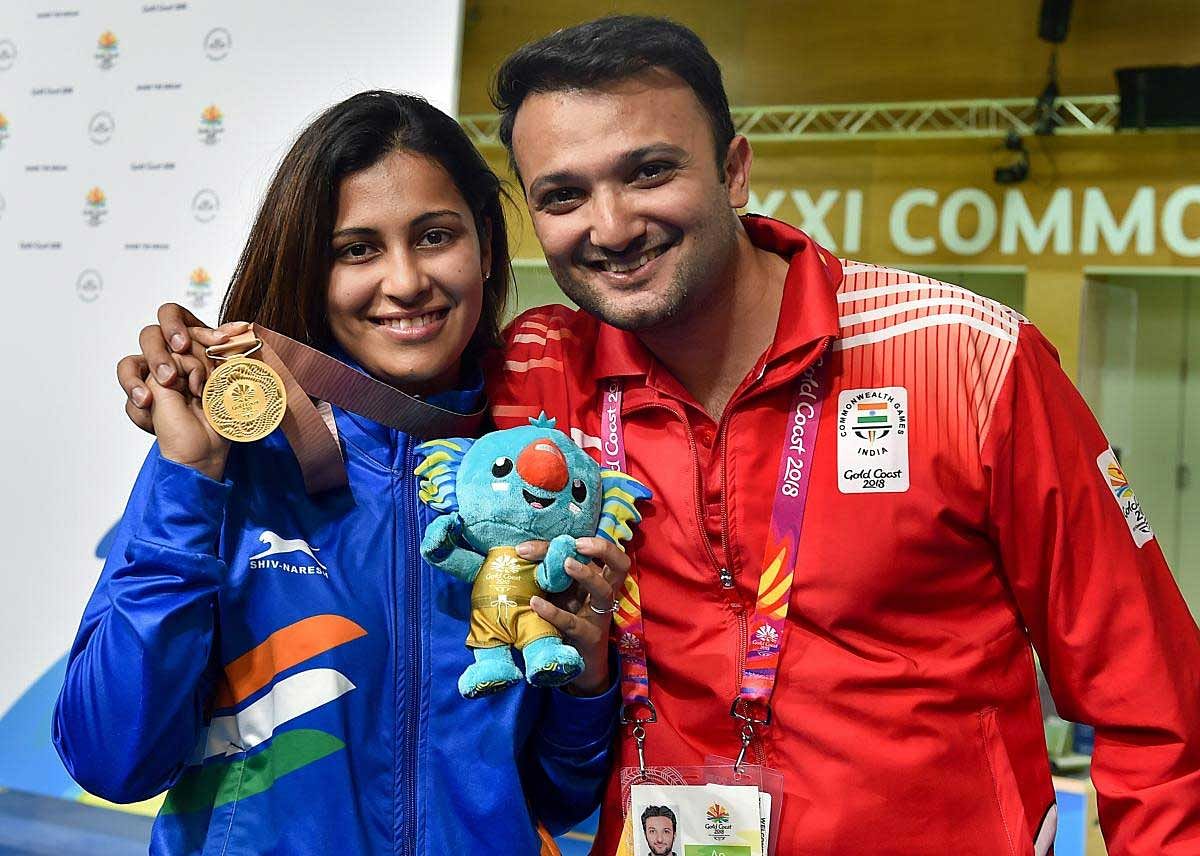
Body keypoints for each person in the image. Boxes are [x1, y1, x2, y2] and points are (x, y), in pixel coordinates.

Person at [121, 16, 1200, 856]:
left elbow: (1156, 710)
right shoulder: (534, 371)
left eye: (648, 170)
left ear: (734, 168)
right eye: (563, 193)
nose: (611, 224)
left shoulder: (967, 362)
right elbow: (367, 381)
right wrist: (203, 367)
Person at [57, 90, 630, 855]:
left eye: (434, 236)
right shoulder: (230, 461)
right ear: (311, 267)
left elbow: (555, 797)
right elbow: (111, 760)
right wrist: (187, 478)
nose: (404, 282)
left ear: (486, 247)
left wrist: (588, 681)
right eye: (356, 249)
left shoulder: (528, 480)